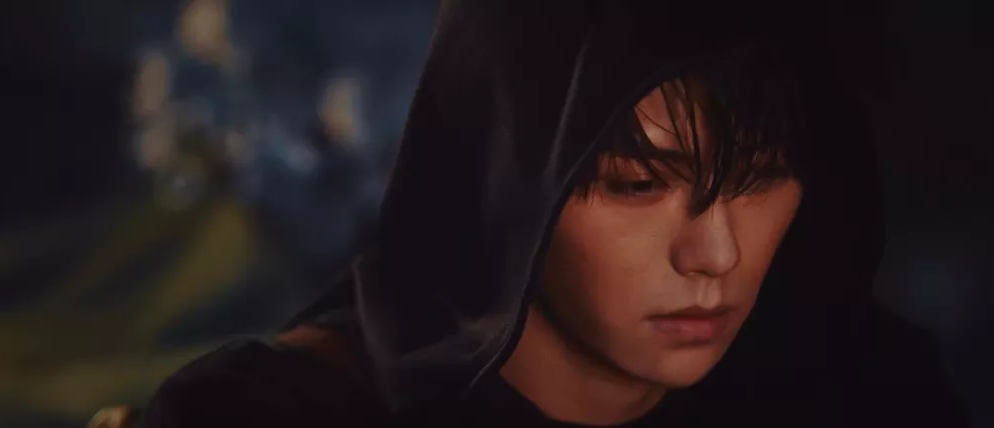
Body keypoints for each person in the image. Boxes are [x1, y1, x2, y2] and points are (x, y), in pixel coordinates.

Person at [139, 1, 970, 426]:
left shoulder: (866, 387)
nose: (714, 254)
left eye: (762, 176)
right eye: (637, 184)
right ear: (502, 174)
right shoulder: (267, 418)